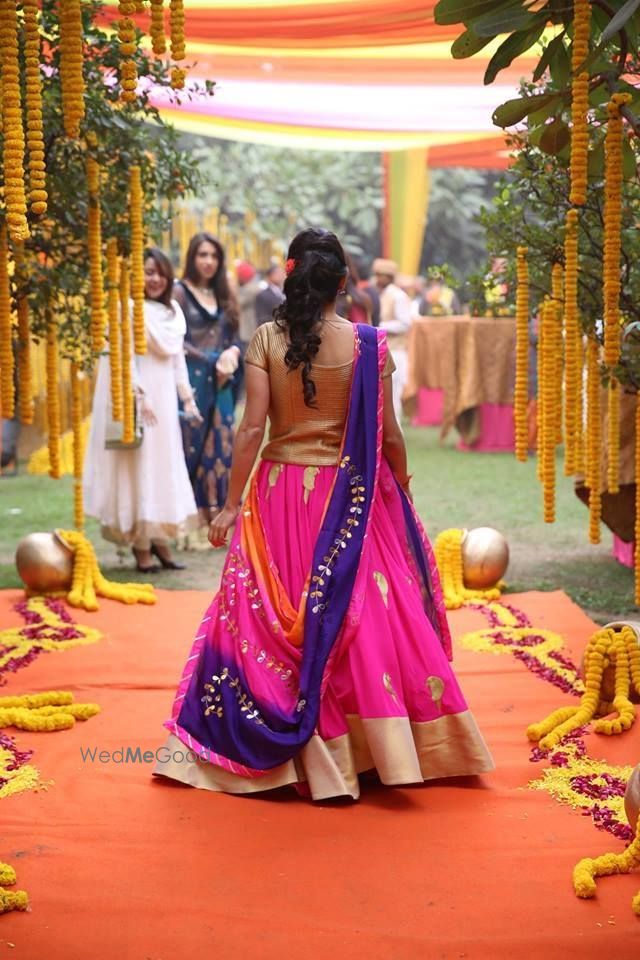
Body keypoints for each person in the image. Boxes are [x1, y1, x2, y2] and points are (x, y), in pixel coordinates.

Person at [155, 227, 493, 800]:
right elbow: (389, 435)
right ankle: (375, 752)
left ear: (291, 277)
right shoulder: (370, 344)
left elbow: (251, 431)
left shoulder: (266, 338)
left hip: (280, 493)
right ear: (344, 283)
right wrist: (401, 490)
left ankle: (285, 755)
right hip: (353, 498)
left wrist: (230, 504)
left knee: (268, 616)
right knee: (366, 618)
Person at [84, 247, 200, 572]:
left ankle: (160, 539)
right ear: (136, 275)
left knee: (164, 466)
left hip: (164, 402)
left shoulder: (173, 312)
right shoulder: (127, 308)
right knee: (141, 467)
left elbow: (177, 359)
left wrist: (187, 398)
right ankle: (141, 545)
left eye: (160, 272)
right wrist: (139, 394)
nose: (155, 279)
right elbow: (122, 356)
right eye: (148, 272)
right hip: (141, 401)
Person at [174, 233, 244, 547]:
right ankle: (190, 527)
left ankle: (217, 523)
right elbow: (176, 340)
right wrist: (211, 360)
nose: (208, 261)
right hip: (191, 382)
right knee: (192, 448)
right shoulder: (179, 293)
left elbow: (233, 337)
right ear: (192, 257)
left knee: (223, 447)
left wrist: (232, 354)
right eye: (203, 254)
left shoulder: (223, 293)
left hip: (223, 383)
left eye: (214, 256)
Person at [372, 257, 412, 423]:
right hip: (381, 351)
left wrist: (379, 326)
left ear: (389, 277)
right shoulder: (378, 294)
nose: (378, 279)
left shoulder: (398, 296)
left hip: (395, 352)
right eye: (377, 274)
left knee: (393, 400)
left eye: (381, 275)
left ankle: (396, 439)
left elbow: (405, 324)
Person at [235, 260, 261, 346]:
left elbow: (237, 302)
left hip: (249, 326)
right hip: (252, 325)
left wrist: (235, 286)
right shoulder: (254, 286)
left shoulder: (249, 289)